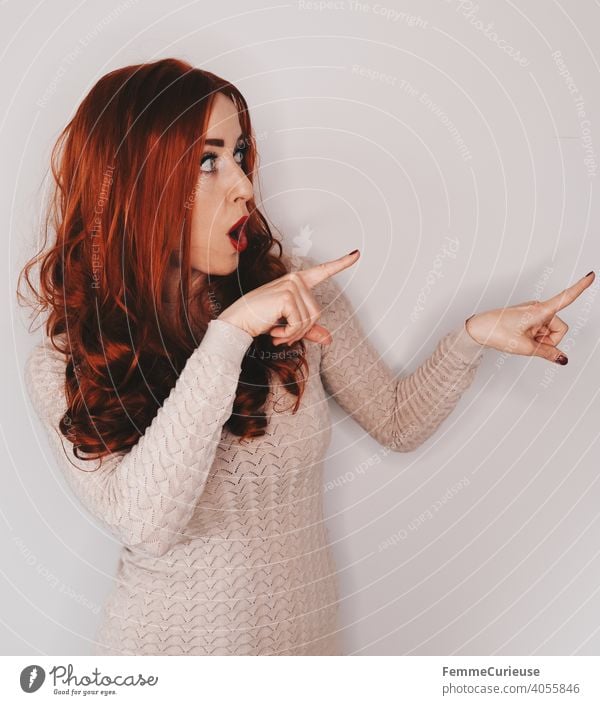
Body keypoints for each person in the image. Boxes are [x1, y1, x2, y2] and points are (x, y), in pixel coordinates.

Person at [18, 58, 595, 656]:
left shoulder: (292, 289)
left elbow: (397, 421)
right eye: (207, 161)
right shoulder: (66, 363)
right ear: (135, 186)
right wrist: (230, 334)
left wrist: (473, 335)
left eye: (240, 154)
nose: (242, 183)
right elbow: (148, 522)